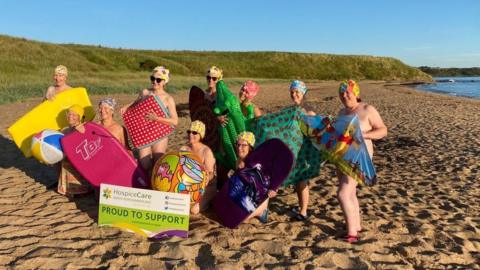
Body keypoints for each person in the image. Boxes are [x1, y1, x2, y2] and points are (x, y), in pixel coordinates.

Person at [336, 80, 387, 243]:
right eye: (341, 93)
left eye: (347, 92)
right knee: (350, 192)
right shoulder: (342, 113)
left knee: (342, 193)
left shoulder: (367, 109)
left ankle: (352, 233)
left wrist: (363, 135)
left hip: (360, 157)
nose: (344, 96)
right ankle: (356, 226)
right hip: (342, 156)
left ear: (356, 93)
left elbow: (382, 130)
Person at [120, 66, 178, 173]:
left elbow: (175, 121)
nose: (155, 82)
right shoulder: (145, 92)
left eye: (158, 80)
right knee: (145, 164)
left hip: (159, 132)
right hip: (143, 133)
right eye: (153, 78)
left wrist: (156, 118)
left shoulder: (168, 98)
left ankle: (155, 187)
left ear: (165, 82)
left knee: (158, 162)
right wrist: (127, 107)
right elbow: (136, 103)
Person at [231, 132, 276, 223]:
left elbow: (273, 175)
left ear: (250, 147)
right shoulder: (239, 160)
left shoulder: (257, 163)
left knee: (240, 220)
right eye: (238, 145)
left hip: (259, 202)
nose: (239, 148)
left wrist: (274, 188)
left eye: (244, 145)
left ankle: (261, 213)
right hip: (247, 198)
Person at [289, 80, 315, 221]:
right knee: (297, 181)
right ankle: (301, 206)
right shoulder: (292, 110)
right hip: (294, 149)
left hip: (304, 151)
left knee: (302, 181)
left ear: (303, 93)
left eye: (297, 92)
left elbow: (314, 133)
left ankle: (304, 211)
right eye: (292, 92)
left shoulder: (308, 112)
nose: (294, 94)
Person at [180, 121, 216, 214]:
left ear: (201, 135)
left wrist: (205, 179)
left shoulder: (206, 151)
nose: (191, 134)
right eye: (189, 132)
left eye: (194, 132)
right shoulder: (184, 149)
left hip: (206, 186)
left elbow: (211, 173)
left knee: (193, 210)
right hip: (189, 184)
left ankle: (210, 200)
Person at [57, 105, 91, 196]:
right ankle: (68, 190)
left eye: (74, 114)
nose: (70, 116)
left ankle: (81, 190)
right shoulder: (64, 130)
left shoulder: (84, 128)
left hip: (80, 161)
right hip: (66, 161)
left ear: (80, 117)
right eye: (69, 114)